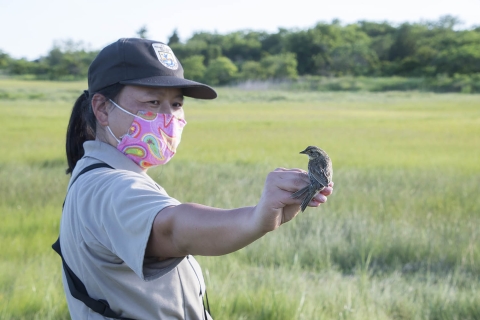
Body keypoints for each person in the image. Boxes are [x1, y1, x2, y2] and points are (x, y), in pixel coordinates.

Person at [56, 38, 334, 320]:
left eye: (176, 103)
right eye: (153, 102)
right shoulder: (107, 186)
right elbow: (172, 228)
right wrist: (257, 217)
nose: (168, 117)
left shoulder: (105, 175)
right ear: (102, 108)